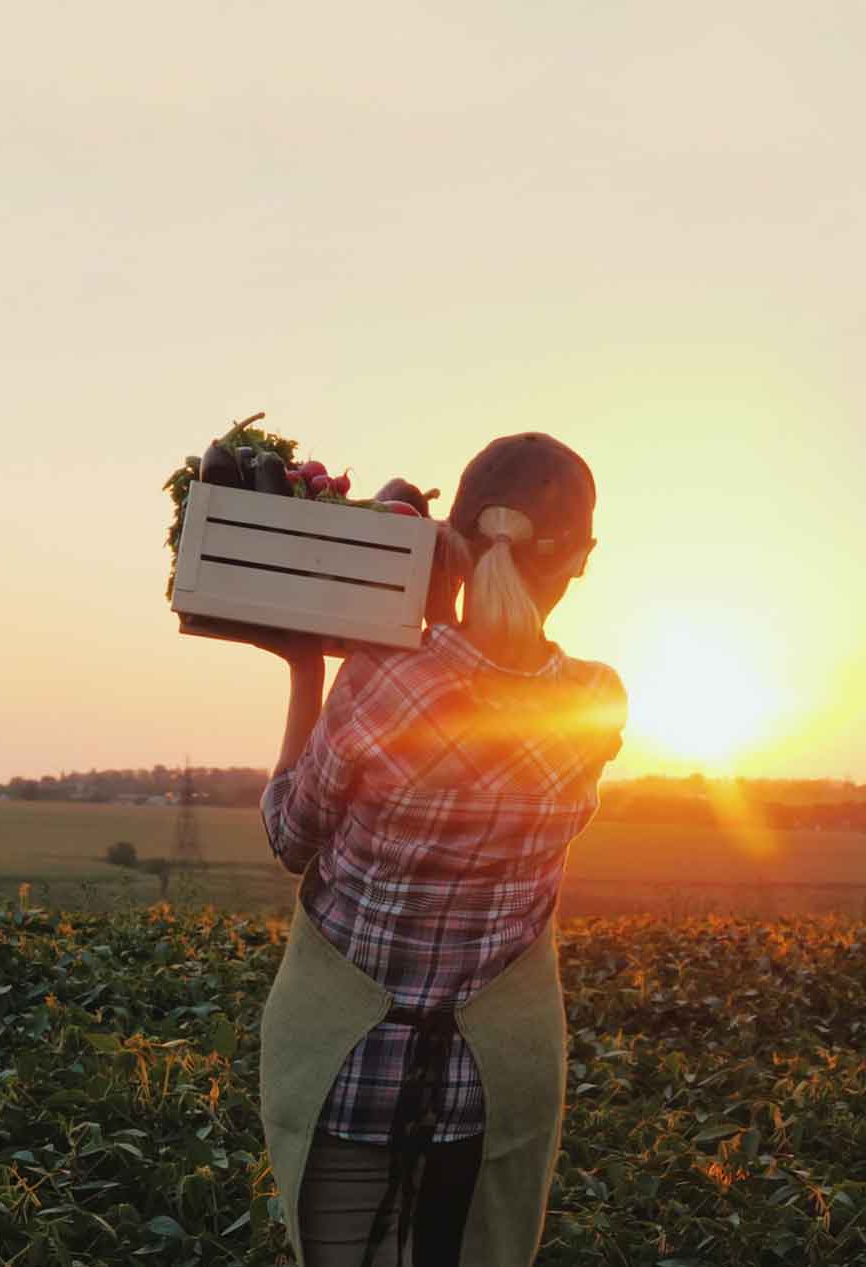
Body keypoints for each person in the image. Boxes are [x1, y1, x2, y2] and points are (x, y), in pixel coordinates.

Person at [251, 433, 627, 1267]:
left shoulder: (385, 681)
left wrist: (307, 668)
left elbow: (288, 833)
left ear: (450, 541)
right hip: (488, 1095)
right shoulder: (597, 703)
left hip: (349, 1078)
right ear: (582, 560)